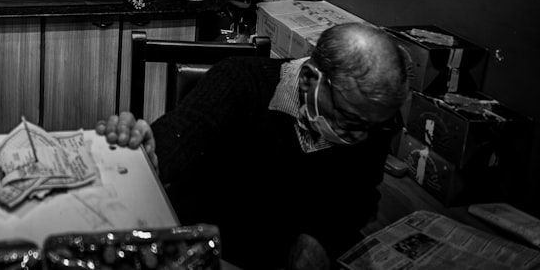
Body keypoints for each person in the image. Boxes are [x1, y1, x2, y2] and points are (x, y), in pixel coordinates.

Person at [96, 22, 410, 270]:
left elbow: (358, 197)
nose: (360, 136)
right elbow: (186, 131)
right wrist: (151, 152)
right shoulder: (240, 81)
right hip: (206, 249)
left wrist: (320, 238)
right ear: (309, 80)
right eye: (350, 119)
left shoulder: (370, 119)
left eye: (374, 125)